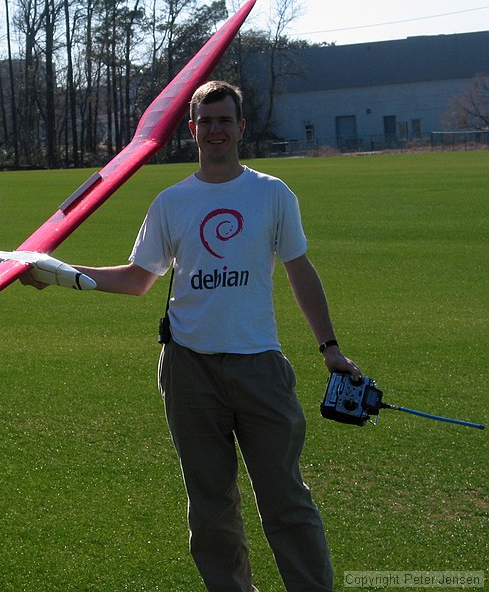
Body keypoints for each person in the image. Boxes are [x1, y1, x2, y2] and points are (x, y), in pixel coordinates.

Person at [23, 80, 361, 592]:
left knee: (286, 500)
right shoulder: (172, 202)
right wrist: (56, 271)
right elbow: (137, 279)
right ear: (192, 130)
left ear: (241, 127)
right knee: (210, 508)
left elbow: (299, 269)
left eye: (225, 120)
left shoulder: (272, 194)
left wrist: (329, 348)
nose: (216, 130)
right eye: (206, 121)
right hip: (189, 369)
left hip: (259, 367)